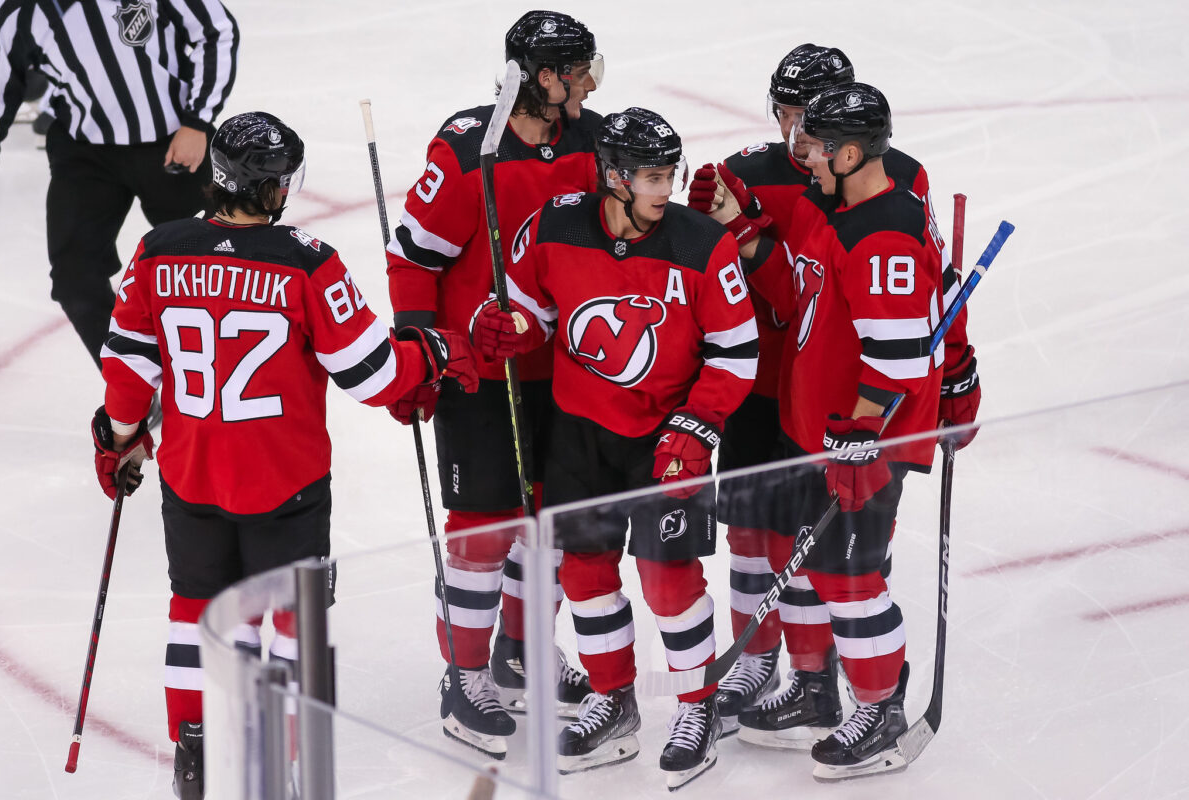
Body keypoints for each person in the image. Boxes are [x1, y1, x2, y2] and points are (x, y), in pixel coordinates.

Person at [91, 112, 479, 799]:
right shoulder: (306, 260)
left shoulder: (156, 250)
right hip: (286, 485)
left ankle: (195, 749)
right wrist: (435, 353)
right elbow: (373, 375)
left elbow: (127, 374)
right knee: (295, 621)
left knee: (194, 608)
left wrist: (118, 439)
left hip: (193, 476)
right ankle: (287, 765)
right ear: (271, 189)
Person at [687, 44, 981, 738]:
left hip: (850, 410)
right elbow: (790, 289)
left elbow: (911, 319)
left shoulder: (887, 200)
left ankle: (872, 697)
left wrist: (951, 372)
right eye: (786, 111)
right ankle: (807, 679)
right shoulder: (800, 190)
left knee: (844, 568)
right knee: (779, 540)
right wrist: (731, 226)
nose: (795, 134)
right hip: (780, 391)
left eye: (808, 122)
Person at [470, 107, 757, 789]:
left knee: (668, 581)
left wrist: (698, 424)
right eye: (653, 177)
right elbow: (533, 308)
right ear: (613, 176)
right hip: (579, 430)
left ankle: (697, 706)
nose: (667, 189)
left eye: (670, 174)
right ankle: (614, 699)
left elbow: (736, 349)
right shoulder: (554, 225)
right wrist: (508, 324)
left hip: (667, 437)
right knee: (585, 574)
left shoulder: (699, 244)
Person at [384, 9, 603, 757]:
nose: (589, 83)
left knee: (547, 519)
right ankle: (464, 677)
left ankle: (520, 654)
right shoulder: (467, 149)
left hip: (567, 368)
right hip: (481, 371)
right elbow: (412, 257)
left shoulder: (592, 140)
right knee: (484, 528)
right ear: (544, 79)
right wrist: (419, 349)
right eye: (577, 71)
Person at [0, 0, 239, 380]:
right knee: (75, 276)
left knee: (207, 270)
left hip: (174, 143)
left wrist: (199, 121)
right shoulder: (18, 14)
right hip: (85, 153)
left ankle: (221, 380)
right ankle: (134, 387)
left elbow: (216, 30)